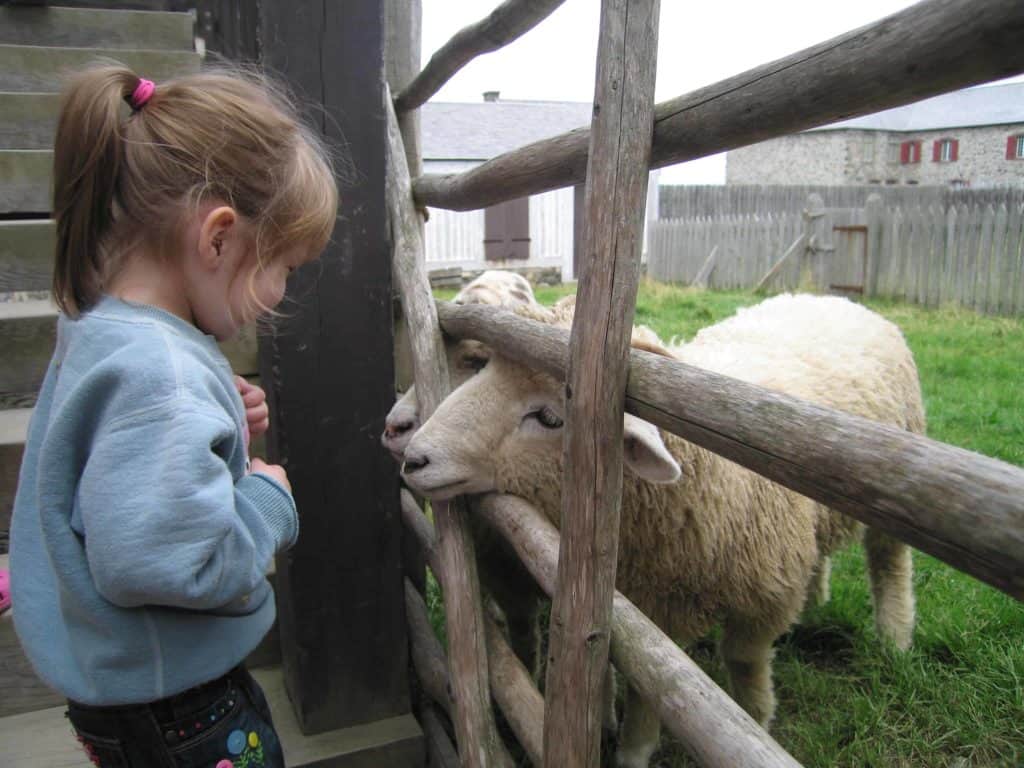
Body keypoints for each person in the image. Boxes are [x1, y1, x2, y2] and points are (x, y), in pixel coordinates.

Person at [9, 63, 338, 768]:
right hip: (177, 711)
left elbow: (111, 467)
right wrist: (265, 501)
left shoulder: (103, 328)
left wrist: (218, 422)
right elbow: (168, 563)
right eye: (284, 265)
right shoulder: (163, 376)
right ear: (218, 237)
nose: (278, 295)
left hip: (128, 693)